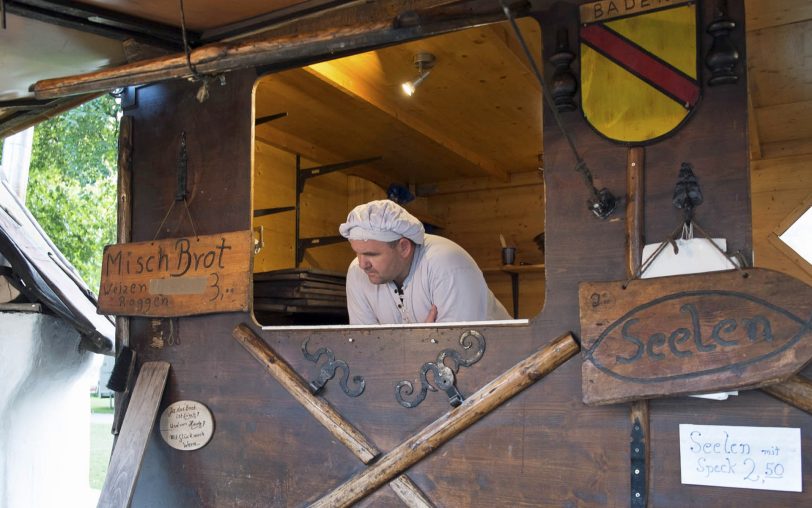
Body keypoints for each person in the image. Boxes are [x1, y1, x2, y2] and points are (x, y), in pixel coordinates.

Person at [339, 199, 511, 325]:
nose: (362, 264)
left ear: (404, 247)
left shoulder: (446, 263)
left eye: (372, 254)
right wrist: (423, 340)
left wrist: (415, 344)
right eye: (357, 253)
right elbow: (366, 349)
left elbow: (457, 349)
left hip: (505, 365)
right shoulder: (357, 272)